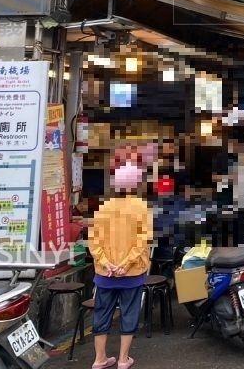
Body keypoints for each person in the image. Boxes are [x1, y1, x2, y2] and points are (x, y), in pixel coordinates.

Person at [88, 152, 152, 369]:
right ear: (136, 184)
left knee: (102, 313)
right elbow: (142, 241)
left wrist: (107, 263)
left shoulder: (102, 209)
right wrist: (126, 264)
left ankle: (99, 359)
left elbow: (93, 243)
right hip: (131, 274)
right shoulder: (141, 208)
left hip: (105, 274)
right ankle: (123, 359)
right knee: (129, 312)